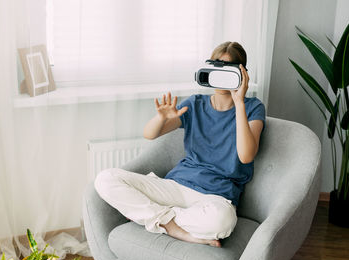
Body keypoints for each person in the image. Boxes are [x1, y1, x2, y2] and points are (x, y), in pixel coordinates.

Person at [95, 41, 266, 248]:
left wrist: (239, 102)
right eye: (215, 66)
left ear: (241, 74)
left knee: (223, 222)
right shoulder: (195, 104)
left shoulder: (252, 107)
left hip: (216, 196)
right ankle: (173, 227)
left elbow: (246, 156)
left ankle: (152, 216)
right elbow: (149, 134)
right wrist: (161, 118)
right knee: (105, 179)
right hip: (176, 186)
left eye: (227, 70)